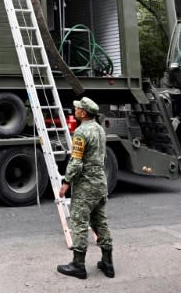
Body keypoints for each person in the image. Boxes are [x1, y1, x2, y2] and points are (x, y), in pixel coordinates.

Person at [57, 96, 114, 280]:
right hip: (100, 182)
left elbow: (76, 161)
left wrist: (66, 182)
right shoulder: (99, 130)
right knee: (100, 222)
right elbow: (102, 156)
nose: (75, 110)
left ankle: (78, 265)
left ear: (83, 113)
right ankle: (108, 263)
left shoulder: (81, 132)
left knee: (80, 223)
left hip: (85, 186)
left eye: (78, 108)